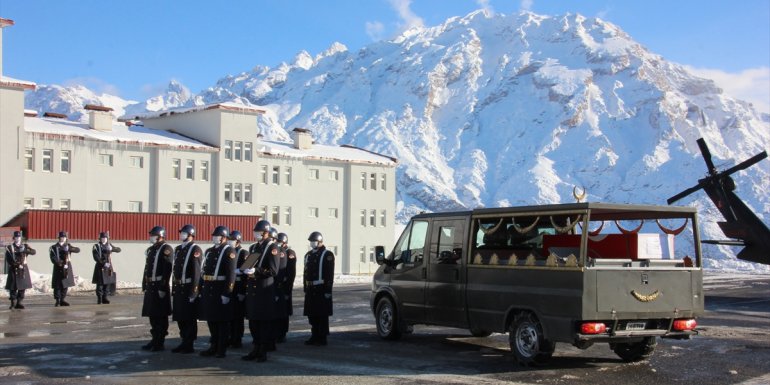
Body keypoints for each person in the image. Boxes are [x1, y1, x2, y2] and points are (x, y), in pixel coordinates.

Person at [242, 220, 281, 362]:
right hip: (253, 289)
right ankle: (255, 348)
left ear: (265, 233)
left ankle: (263, 350)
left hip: (264, 290)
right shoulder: (253, 247)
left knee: (263, 323)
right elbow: (248, 265)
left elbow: (273, 270)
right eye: (255, 232)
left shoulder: (272, 247)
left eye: (258, 232)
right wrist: (243, 269)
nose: (255, 234)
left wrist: (256, 271)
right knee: (253, 322)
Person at [197, 226, 237, 358]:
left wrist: (227, 292)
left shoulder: (229, 251)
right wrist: (201, 287)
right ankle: (213, 345)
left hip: (220, 289)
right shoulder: (209, 251)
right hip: (209, 288)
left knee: (222, 322)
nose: (214, 237)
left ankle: (221, 348)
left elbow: (231, 273)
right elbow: (203, 271)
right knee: (211, 320)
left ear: (224, 237)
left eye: (217, 236)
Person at [141, 226, 173, 352]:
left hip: (159, 285)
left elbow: (167, 269)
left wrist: (163, 286)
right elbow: (147, 268)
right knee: (152, 315)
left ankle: (160, 341)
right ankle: (154, 339)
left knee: (160, 315)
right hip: (151, 286)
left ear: (160, 236)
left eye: (153, 235)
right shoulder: (151, 249)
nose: (151, 237)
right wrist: (144, 283)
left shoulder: (166, 248)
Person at [171, 224, 202, 354]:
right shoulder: (178, 249)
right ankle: (183, 340)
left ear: (190, 235)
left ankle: (189, 343)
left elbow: (196, 272)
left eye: (184, 233)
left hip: (188, 287)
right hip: (179, 287)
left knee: (189, 317)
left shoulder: (195, 249)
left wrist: (194, 291)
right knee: (180, 316)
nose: (181, 235)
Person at [303, 231, 334, 346]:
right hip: (311, 289)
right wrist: (305, 288)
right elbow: (305, 272)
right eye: (311, 241)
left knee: (322, 315)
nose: (312, 243)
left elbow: (329, 274)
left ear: (319, 241)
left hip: (321, 289)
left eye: (313, 241)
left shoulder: (327, 254)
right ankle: (314, 335)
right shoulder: (308, 255)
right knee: (312, 315)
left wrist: (328, 290)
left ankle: (322, 337)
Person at [228, 230, 249, 348]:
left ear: (238, 241)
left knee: (237, 316)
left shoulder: (243, 253)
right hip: (230, 287)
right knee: (229, 315)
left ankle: (237, 338)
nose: (230, 241)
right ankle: (230, 337)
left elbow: (246, 273)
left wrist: (242, 291)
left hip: (239, 287)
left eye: (233, 239)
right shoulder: (228, 251)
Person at [5, 231, 36, 309]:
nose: (17, 239)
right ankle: (13, 302)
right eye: (16, 237)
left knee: (22, 287)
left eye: (19, 237)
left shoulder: (25, 246)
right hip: (14, 268)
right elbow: (8, 259)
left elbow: (33, 252)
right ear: (14, 238)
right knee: (13, 287)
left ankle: (19, 302)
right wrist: (16, 264)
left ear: (21, 238)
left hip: (23, 269)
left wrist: (25, 250)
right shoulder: (10, 247)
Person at [49, 231, 80, 307]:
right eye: (61, 237)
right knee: (58, 285)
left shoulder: (68, 246)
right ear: (59, 238)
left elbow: (78, 250)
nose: (63, 238)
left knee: (65, 284)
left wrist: (70, 248)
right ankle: (58, 300)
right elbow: (53, 258)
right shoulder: (54, 247)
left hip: (67, 266)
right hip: (59, 267)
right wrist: (59, 263)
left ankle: (63, 299)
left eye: (64, 237)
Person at [276, 232, 296, 342]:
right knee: (277, 311)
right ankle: (277, 332)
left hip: (285, 286)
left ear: (284, 243)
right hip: (278, 286)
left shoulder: (289, 253)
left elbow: (291, 273)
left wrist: (288, 289)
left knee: (284, 312)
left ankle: (282, 333)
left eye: (279, 242)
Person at [92, 231, 121, 304]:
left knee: (107, 283)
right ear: (100, 239)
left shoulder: (109, 245)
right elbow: (96, 257)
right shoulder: (96, 246)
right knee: (100, 284)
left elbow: (119, 250)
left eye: (105, 238)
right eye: (102, 238)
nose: (104, 239)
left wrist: (112, 249)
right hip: (100, 266)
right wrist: (103, 263)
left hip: (108, 267)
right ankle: (100, 298)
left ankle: (105, 297)